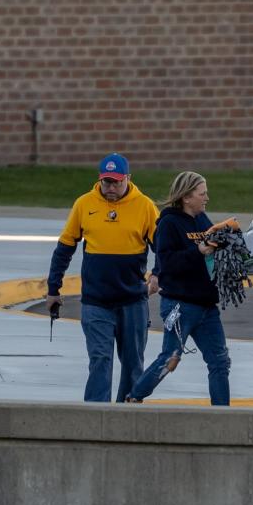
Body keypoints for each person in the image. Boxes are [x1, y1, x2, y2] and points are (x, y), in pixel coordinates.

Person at [46, 153, 159, 402]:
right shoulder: (84, 204)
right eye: (106, 181)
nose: (110, 187)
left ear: (128, 179)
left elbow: (162, 247)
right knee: (100, 359)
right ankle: (96, 416)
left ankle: (127, 415)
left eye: (116, 182)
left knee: (132, 364)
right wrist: (53, 288)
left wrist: (157, 274)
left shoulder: (145, 206)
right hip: (96, 301)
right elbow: (65, 248)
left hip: (132, 301)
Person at [126, 172, 231, 406]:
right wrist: (198, 251)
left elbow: (210, 252)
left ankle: (224, 415)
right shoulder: (168, 223)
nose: (207, 198)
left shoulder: (203, 220)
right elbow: (167, 263)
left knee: (220, 362)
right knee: (170, 358)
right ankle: (134, 397)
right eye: (202, 194)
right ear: (186, 197)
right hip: (180, 305)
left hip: (207, 306)